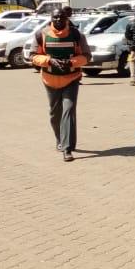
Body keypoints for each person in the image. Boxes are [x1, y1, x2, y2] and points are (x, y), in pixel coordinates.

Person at [30, 9, 91, 162]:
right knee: (54, 114)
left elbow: (87, 56)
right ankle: (60, 139)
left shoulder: (77, 35)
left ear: (67, 19)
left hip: (72, 79)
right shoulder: (41, 34)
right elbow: (32, 56)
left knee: (68, 111)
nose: (58, 19)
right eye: (55, 17)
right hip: (50, 80)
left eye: (61, 17)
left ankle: (67, 148)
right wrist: (49, 61)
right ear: (51, 18)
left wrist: (71, 62)